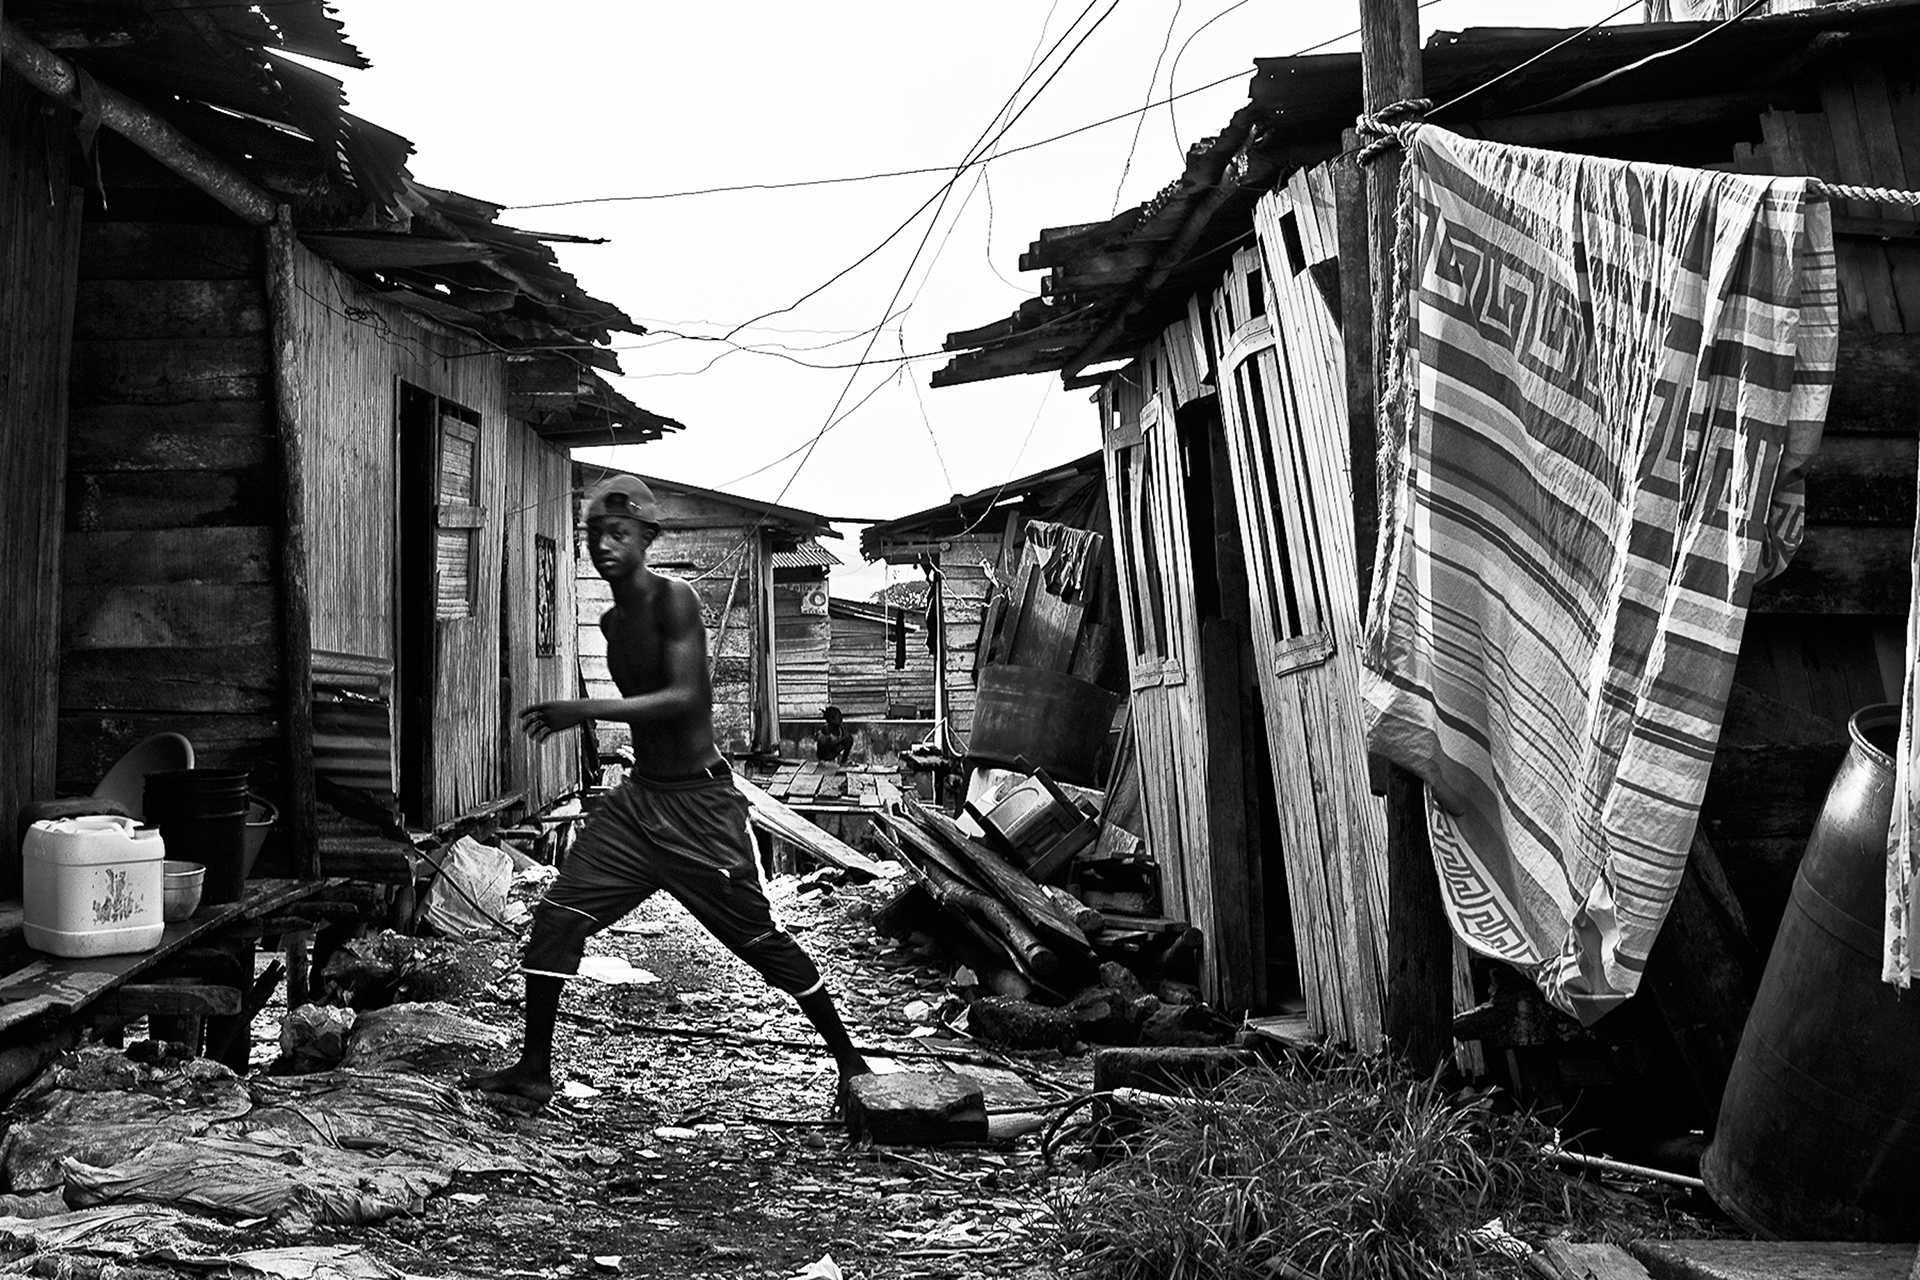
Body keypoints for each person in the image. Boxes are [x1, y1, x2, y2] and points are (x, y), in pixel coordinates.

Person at [465, 475, 870, 1111]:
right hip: (638, 803)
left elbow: (689, 697)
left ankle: (852, 1063)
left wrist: (585, 707)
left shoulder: (674, 599)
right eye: (596, 533)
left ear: (648, 538)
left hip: (699, 807)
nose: (606, 545)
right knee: (557, 918)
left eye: (620, 533)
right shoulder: (608, 620)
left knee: (757, 940)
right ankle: (534, 1071)